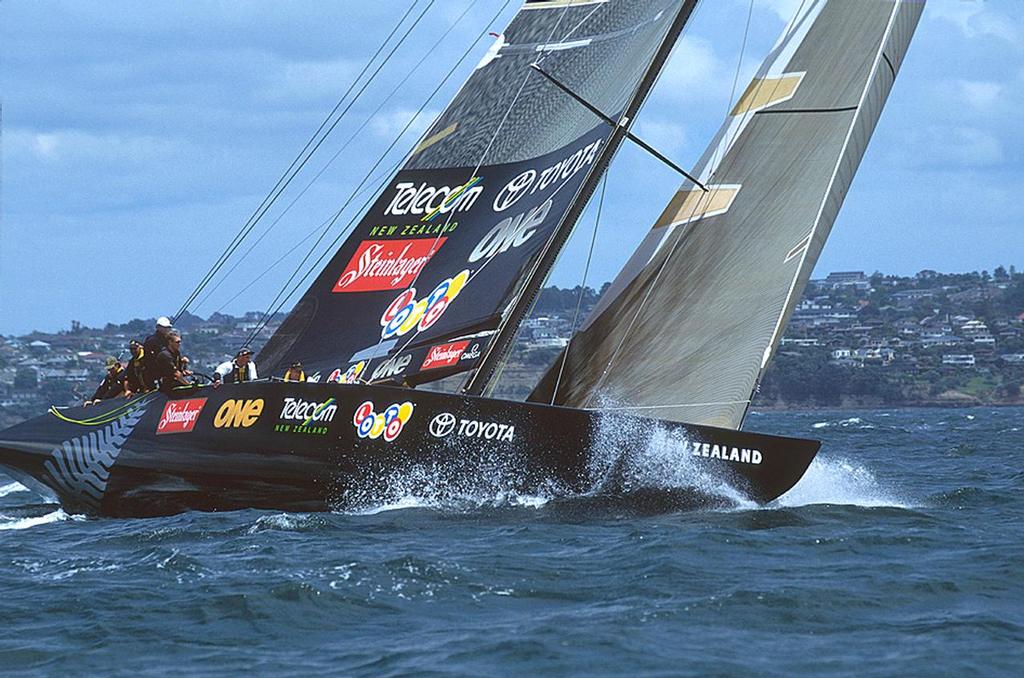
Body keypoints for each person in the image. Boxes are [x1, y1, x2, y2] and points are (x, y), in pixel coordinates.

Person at [143, 316, 174, 389]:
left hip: (167, 372)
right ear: (158, 327)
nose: (166, 329)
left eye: (168, 327)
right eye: (164, 327)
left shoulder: (168, 339)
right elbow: (149, 361)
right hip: (154, 374)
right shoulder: (151, 341)